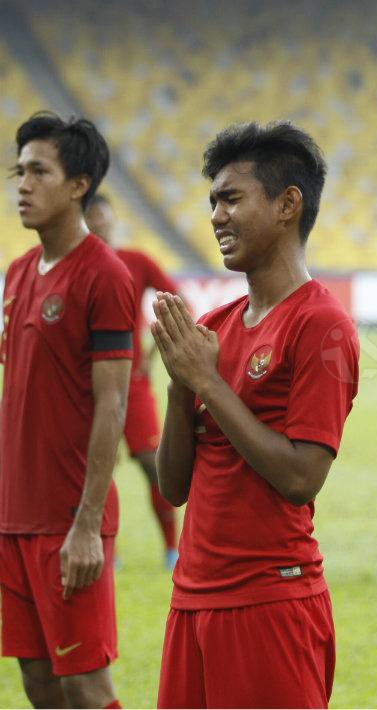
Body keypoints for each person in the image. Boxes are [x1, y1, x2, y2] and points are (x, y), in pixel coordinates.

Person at [152, 121, 359, 708]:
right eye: (213, 201)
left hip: (270, 601)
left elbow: (300, 479)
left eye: (231, 198)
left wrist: (207, 383)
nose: (216, 215)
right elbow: (172, 489)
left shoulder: (321, 325)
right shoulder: (215, 326)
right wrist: (177, 388)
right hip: (191, 599)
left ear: (287, 204)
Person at [0, 112, 133, 708]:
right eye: (18, 171)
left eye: (38, 172)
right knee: (38, 681)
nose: (22, 185)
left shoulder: (104, 273)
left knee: (84, 683)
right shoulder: (17, 273)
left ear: (78, 184)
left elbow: (113, 403)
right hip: (13, 515)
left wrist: (86, 526)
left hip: (68, 519)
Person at [85, 193, 181, 570]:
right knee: (97, 467)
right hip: (89, 386)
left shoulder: (135, 262)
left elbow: (177, 300)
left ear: (112, 221)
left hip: (133, 385)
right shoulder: (74, 268)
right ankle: (108, 551)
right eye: (90, 217)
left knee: (153, 464)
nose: (97, 223)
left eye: (102, 216)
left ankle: (172, 550)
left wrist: (156, 350)